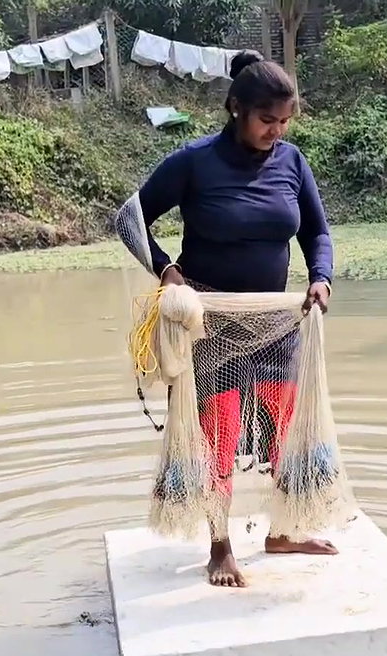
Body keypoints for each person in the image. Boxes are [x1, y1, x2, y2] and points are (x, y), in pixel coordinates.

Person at [136, 49, 337, 588]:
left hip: (275, 322)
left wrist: (320, 276)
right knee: (218, 435)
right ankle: (220, 546)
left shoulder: (293, 162)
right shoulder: (194, 162)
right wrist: (166, 269)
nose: (277, 130)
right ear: (235, 110)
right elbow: (130, 218)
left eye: (285, 121)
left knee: (288, 429)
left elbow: (316, 231)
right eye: (267, 120)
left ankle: (284, 531)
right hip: (212, 324)